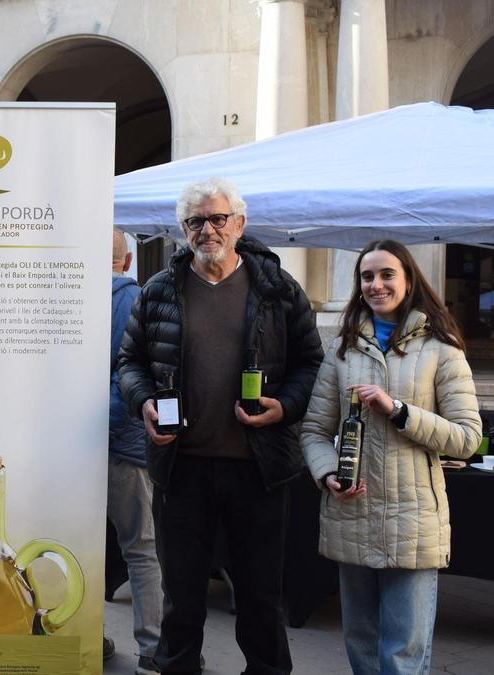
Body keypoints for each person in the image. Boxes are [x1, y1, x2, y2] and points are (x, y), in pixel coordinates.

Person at [117, 177, 323, 675]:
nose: (207, 230)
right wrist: (144, 402)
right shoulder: (159, 290)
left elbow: (311, 364)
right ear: (183, 229)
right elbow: (129, 362)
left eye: (217, 218)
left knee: (260, 596)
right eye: (195, 221)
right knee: (181, 596)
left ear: (239, 224)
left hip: (258, 469)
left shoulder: (277, 289)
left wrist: (284, 407)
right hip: (182, 468)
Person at [300, 240, 481, 675]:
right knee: (361, 645)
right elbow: (314, 431)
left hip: (412, 521)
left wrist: (399, 411)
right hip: (352, 515)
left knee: (402, 654)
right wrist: (328, 473)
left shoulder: (442, 348)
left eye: (386, 275)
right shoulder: (343, 350)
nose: (376, 285)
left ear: (409, 280)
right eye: (367, 277)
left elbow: (467, 438)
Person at [106, 228, 162, 672]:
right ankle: (153, 646)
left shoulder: (67, 298)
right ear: (127, 262)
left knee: (76, 542)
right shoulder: (140, 301)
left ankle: (82, 636)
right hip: (125, 445)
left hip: (71, 447)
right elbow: (144, 376)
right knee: (142, 548)